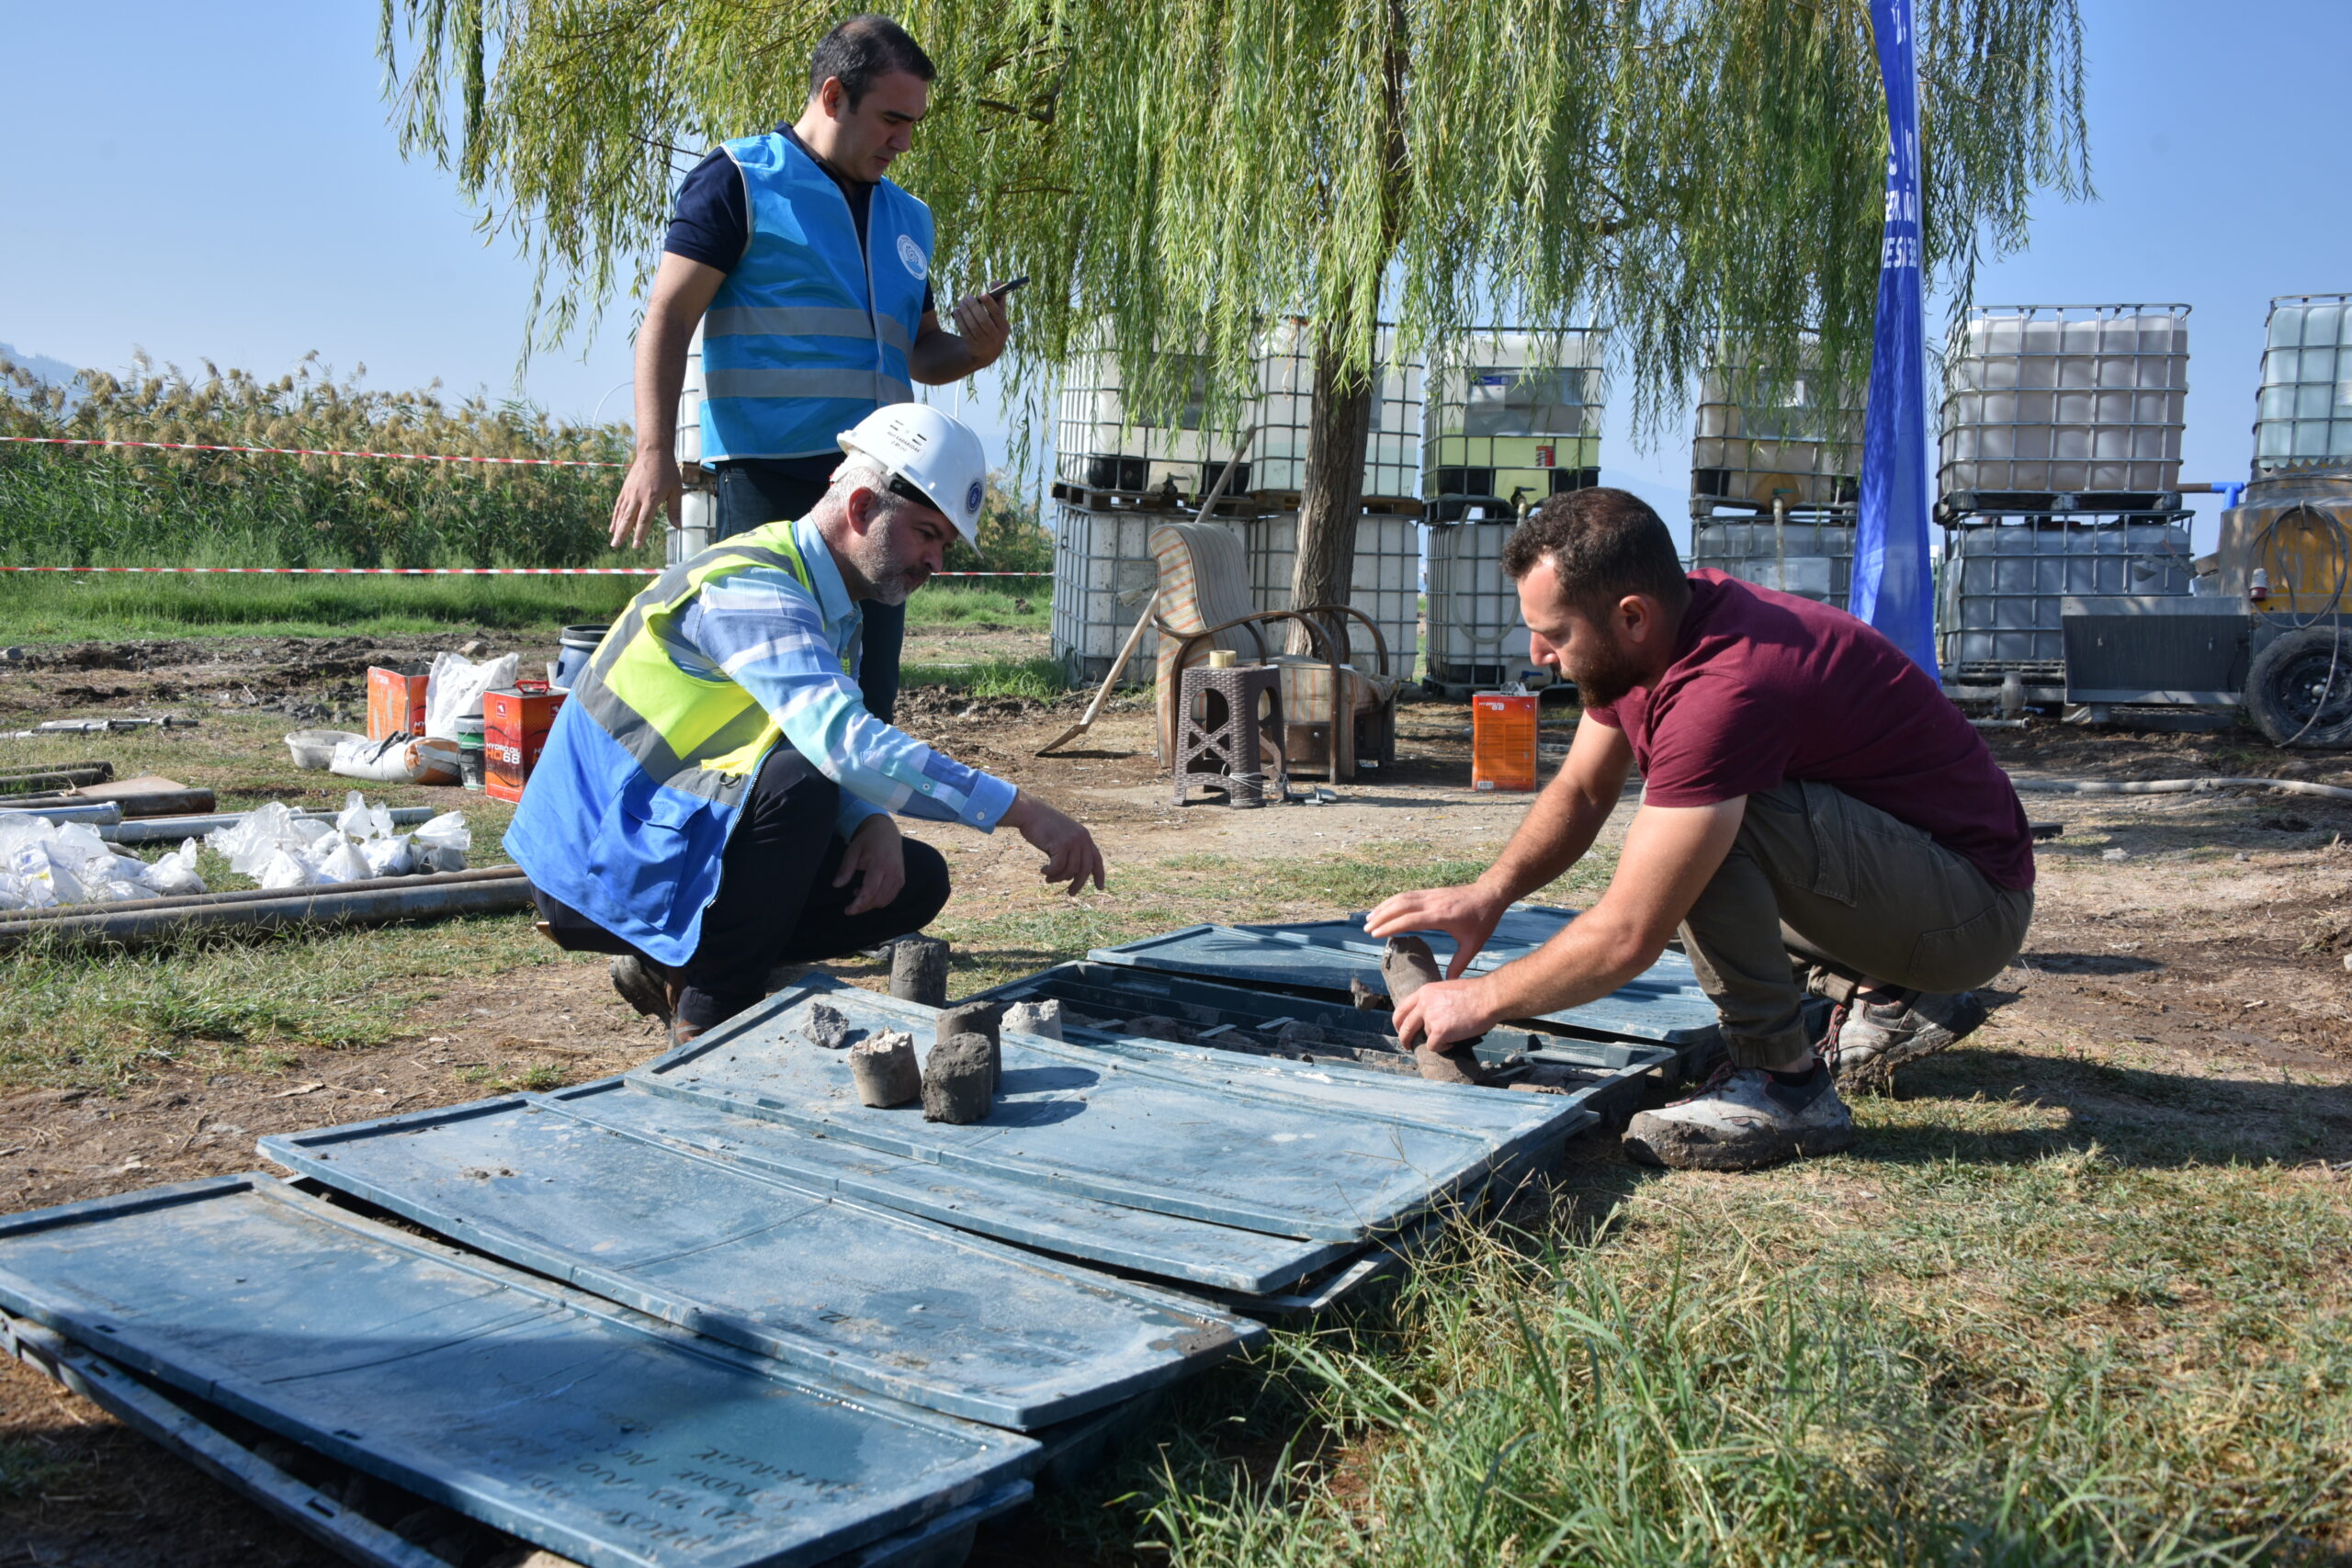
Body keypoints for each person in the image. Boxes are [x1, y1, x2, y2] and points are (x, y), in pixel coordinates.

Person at [1367, 489, 2035, 1171]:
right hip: (1918, 880)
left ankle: (1785, 1084)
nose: (1539, 652)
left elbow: (1629, 933)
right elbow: (1583, 788)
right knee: (1694, 841)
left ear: (1630, 615)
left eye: (1557, 633)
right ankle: (1889, 992)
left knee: (1706, 838)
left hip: (1970, 908)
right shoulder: (1655, 636)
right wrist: (1491, 892)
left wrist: (1480, 998)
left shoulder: (1720, 690)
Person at [514, 405, 1104, 1043]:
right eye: (927, 534)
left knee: (913, 880)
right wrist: (1023, 810)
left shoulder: (830, 605)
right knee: (804, 783)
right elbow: (841, 745)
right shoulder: (755, 587)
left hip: (660, 839)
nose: (935, 561)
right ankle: (711, 1016)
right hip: (594, 861)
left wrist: (871, 820)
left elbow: (814, 738)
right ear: (859, 509)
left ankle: (671, 957)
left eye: (945, 544)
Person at [606, 12, 1012, 728]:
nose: (904, 140)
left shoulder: (911, 219)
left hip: (881, 490)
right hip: (770, 483)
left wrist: (977, 348)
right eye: (891, 118)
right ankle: (768, 835)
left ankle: (863, 837)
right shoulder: (738, 180)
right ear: (832, 96)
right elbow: (667, 317)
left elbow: (920, 352)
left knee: (867, 698)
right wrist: (653, 449)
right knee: (765, 702)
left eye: (914, 122)